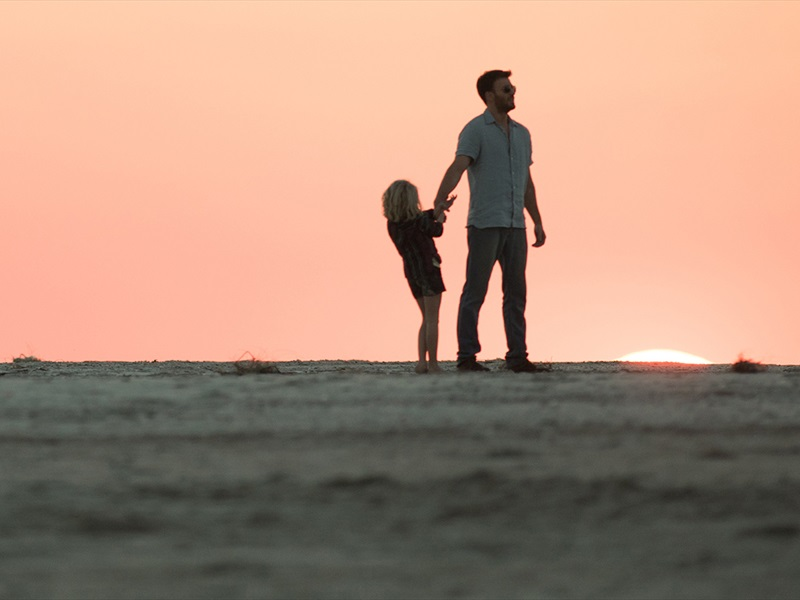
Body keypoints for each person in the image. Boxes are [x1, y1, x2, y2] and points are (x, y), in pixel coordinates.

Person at [433, 70, 546, 373]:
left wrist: (536, 219)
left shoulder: (522, 134)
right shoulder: (475, 130)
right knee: (475, 291)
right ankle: (467, 357)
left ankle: (517, 356)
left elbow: (527, 182)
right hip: (485, 224)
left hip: (515, 226)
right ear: (489, 95)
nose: (512, 94)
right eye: (506, 90)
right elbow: (458, 166)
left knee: (516, 292)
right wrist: (440, 198)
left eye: (513, 89)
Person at [383, 180, 456, 374]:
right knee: (433, 319)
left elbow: (420, 219)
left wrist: (436, 210)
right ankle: (433, 364)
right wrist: (439, 218)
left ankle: (422, 362)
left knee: (425, 318)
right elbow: (436, 231)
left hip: (411, 272)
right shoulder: (419, 221)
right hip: (429, 269)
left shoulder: (392, 224)